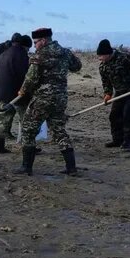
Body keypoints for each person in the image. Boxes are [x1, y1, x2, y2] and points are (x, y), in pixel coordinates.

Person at [11, 27, 81, 176]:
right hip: (60, 98)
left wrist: (22, 90)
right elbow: (77, 66)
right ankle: (71, 167)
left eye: (36, 42)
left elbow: (31, 78)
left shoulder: (39, 56)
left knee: (28, 130)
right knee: (59, 130)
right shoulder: (65, 52)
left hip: (43, 98)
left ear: (43, 41)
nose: (34, 45)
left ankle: (26, 167)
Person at [96, 39, 130, 150]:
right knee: (114, 115)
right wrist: (108, 93)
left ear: (108, 53)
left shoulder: (123, 58)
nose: (100, 58)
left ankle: (128, 141)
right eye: (99, 56)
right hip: (120, 92)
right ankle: (117, 140)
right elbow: (106, 81)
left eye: (101, 55)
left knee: (128, 115)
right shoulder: (103, 66)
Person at [0, 34, 31, 154]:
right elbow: (25, 76)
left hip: (2, 93)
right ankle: (28, 147)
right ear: (24, 45)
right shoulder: (22, 56)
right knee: (26, 121)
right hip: (18, 94)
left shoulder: (3, 54)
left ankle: (0, 147)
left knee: (2, 121)